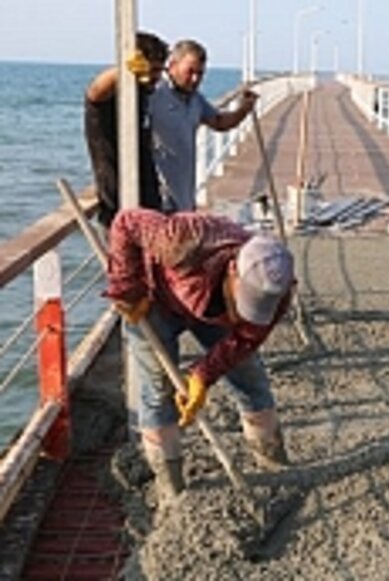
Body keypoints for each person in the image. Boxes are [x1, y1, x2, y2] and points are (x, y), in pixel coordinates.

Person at [104, 208, 295, 502]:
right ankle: (172, 490)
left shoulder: (277, 287)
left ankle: (274, 466)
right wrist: (128, 288)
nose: (251, 311)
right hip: (155, 300)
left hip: (212, 313)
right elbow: (126, 223)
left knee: (250, 377)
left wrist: (202, 375)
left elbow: (247, 337)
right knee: (158, 391)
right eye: (246, 300)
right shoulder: (182, 238)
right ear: (233, 270)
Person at [150, 39, 258, 213]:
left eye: (200, 74)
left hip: (184, 198)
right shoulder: (154, 94)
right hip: (159, 200)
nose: (195, 79)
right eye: (190, 72)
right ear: (172, 65)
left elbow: (219, 122)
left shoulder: (195, 99)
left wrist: (244, 109)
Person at [84, 31, 168, 230]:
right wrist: (123, 70)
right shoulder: (111, 99)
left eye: (159, 70)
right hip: (118, 206)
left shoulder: (143, 94)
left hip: (148, 203)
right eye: (152, 70)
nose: (156, 77)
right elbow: (94, 92)